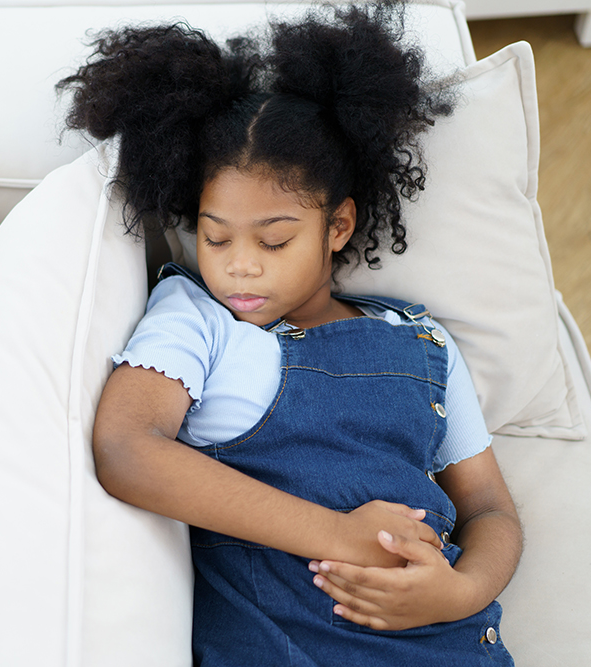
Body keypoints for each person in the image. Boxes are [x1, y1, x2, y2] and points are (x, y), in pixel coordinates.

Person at [59, 3, 522, 665]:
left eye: (275, 240)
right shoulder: (197, 321)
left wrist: (462, 589)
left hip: (452, 641)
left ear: (338, 228)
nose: (239, 263)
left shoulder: (425, 344)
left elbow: (489, 509)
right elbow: (127, 447)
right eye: (215, 236)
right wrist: (339, 534)